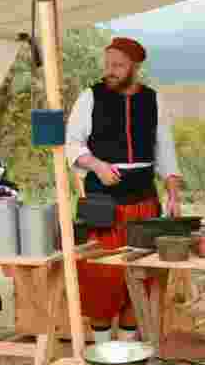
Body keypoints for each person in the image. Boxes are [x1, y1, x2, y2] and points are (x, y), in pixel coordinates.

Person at [65, 36, 182, 343]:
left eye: (118, 66)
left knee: (140, 274)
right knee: (101, 276)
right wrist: (97, 166)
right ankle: (103, 351)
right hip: (102, 203)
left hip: (143, 202)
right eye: (108, 65)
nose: (111, 71)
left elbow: (165, 150)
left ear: (135, 67)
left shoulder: (153, 99)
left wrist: (172, 194)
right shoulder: (90, 97)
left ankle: (129, 350)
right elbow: (73, 143)